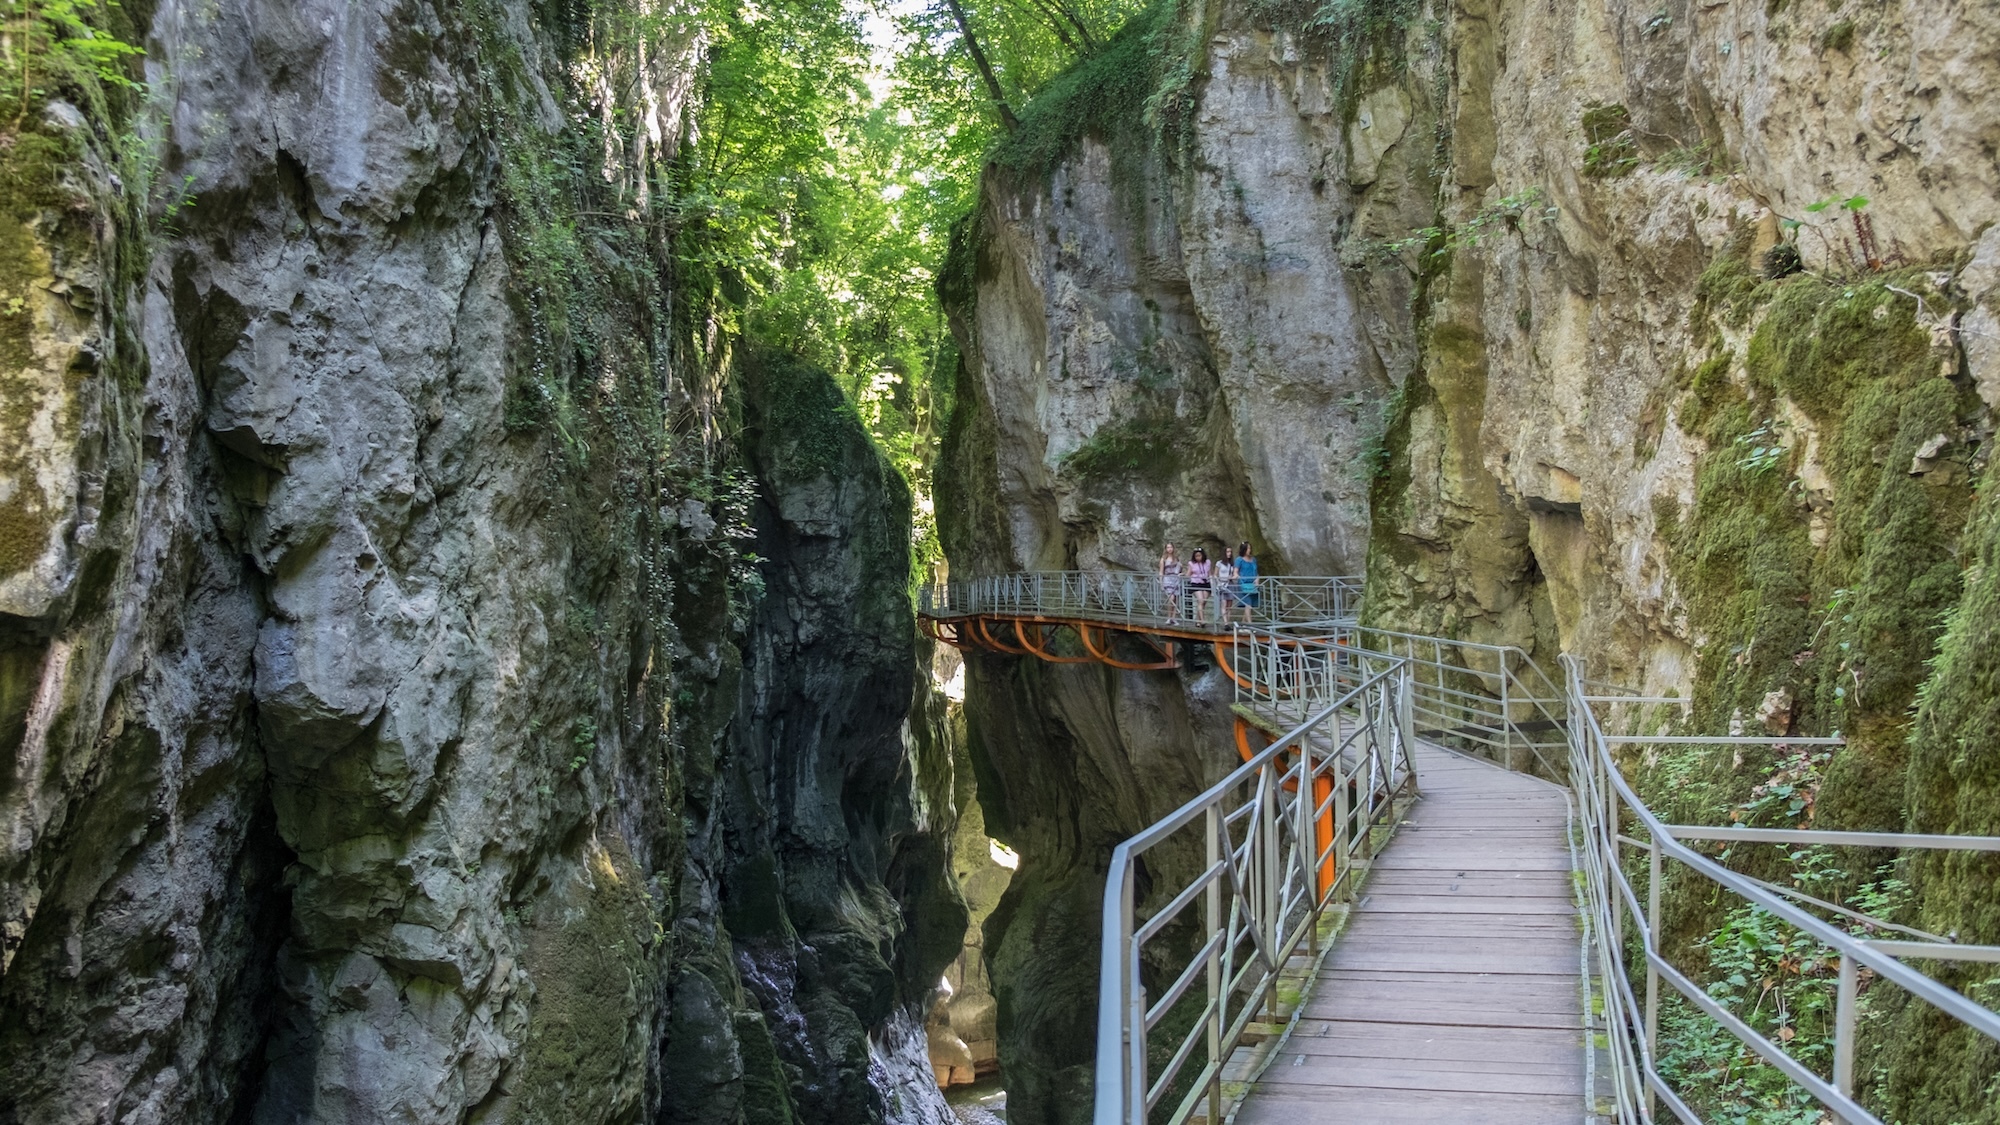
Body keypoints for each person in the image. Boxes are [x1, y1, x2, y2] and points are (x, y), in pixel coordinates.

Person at [1234, 542, 1259, 624]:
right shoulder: (1239, 560)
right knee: (1248, 605)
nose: (1249, 550)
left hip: (1253, 585)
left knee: (1250, 605)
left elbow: (1256, 571)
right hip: (1243, 584)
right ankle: (1250, 624)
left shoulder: (1253, 559)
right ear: (1244, 549)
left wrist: (1257, 579)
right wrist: (1238, 577)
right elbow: (1235, 572)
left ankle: (1243, 624)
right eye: (1248, 548)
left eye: (1250, 548)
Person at [1158, 544, 1183, 624]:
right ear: (1165, 549)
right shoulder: (1163, 559)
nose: (1169, 549)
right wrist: (1161, 582)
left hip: (1176, 579)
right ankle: (1169, 617)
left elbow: (1180, 570)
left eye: (1171, 547)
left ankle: (1173, 618)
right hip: (1167, 579)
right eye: (1168, 547)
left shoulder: (1176, 558)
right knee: (1171, 598)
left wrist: (1181, 574)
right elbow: (1161, 572)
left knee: (1175, 599)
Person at [1188, 547, 1213, 625]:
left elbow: (1210, 573)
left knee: (1203, 602)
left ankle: (1198, 621)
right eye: (1196, 556)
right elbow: (1188, 574)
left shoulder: (1208, 562)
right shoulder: (1191, 563)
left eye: (1199, 555)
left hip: (1206, 583)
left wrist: (1212, 581)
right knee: (1200, 600)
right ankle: (1202, 621)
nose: (1198, 557)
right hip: (1196, 583)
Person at [1215, 548, 1238, 625]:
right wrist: (1218, 582)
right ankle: (1225, 623)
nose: (1229, 553)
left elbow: (1235, 574)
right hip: (1222, 584)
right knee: (1224, 603)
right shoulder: (1219, 563)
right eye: (1228, 552)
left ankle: (1228, 621)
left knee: (1229, 605)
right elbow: (1215, 574)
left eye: (1230, 552)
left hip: (1230, 584)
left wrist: (1233, 577)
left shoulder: (1232, 564)